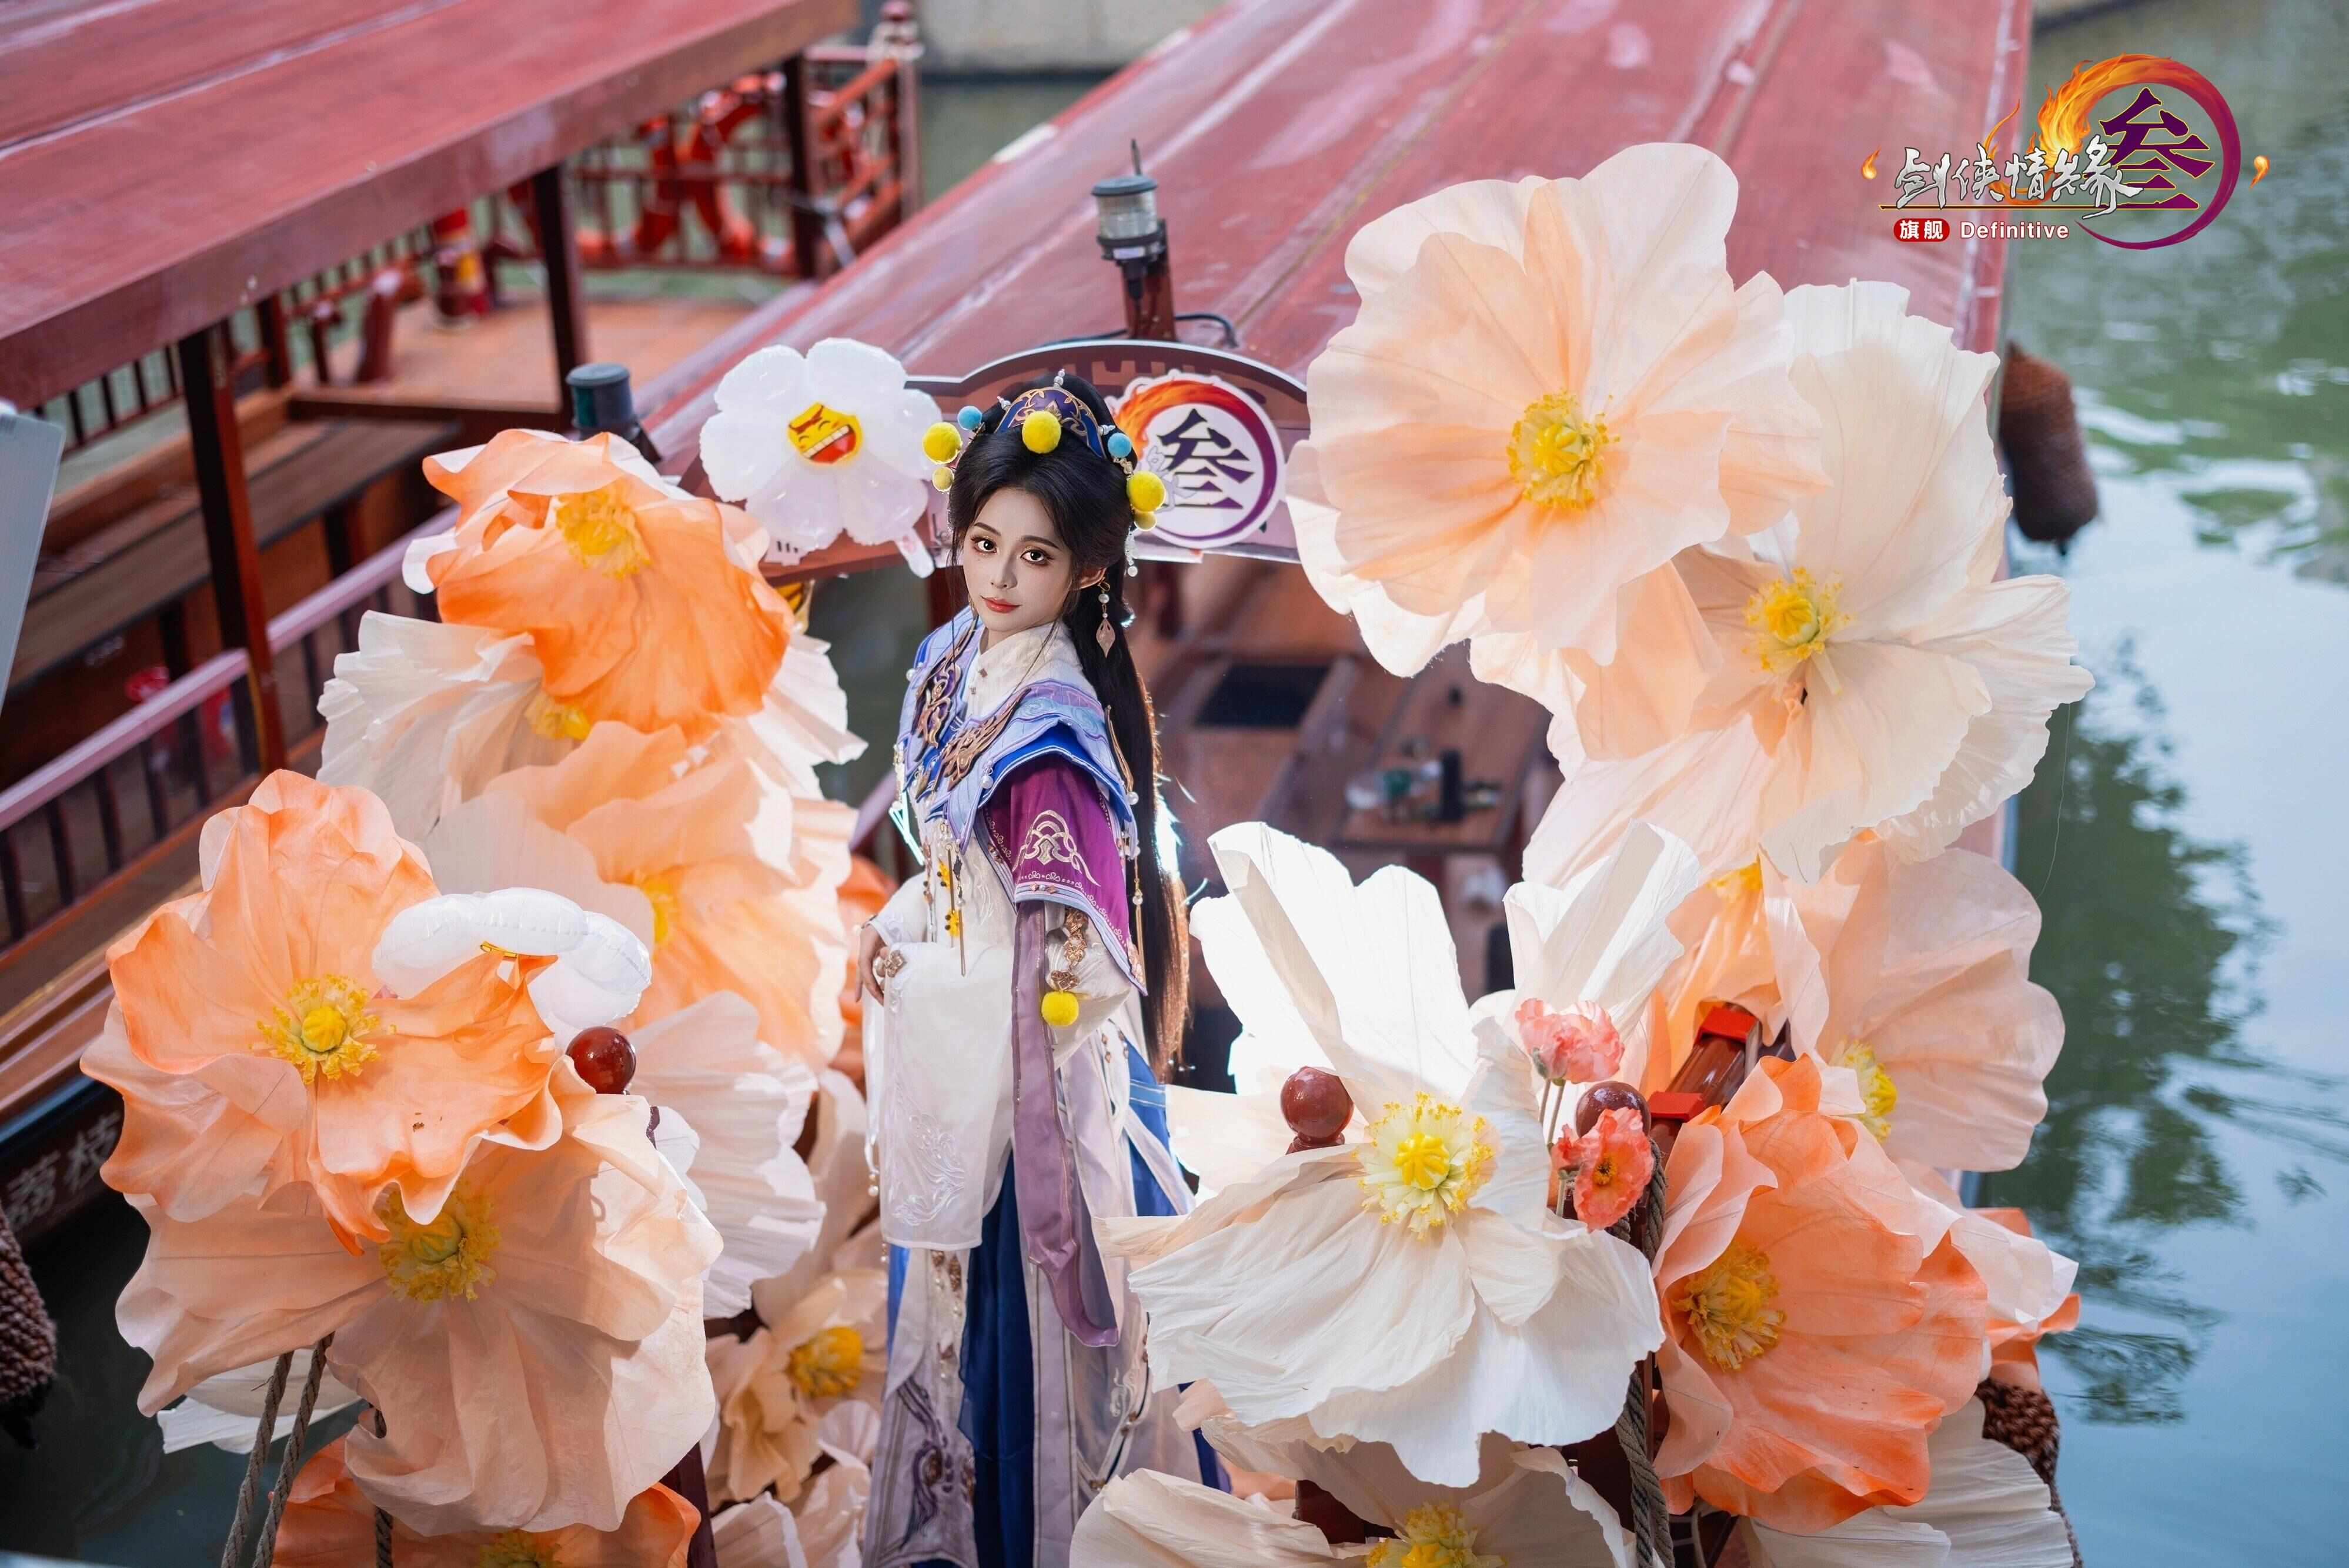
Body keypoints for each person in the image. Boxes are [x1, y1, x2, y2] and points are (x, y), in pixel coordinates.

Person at [857, 372, 1219, 1568]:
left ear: (1087, 573)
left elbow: (1067, 966)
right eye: (982, 543)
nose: (1001, 577)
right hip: (967, 1037)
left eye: (1036, 557)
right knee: (954, 1332)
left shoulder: (1051, 727)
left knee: (1035, 1363)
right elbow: (958, 866)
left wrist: (928, 965)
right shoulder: (961, 652)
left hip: (1031, 1090)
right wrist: (916, 918)